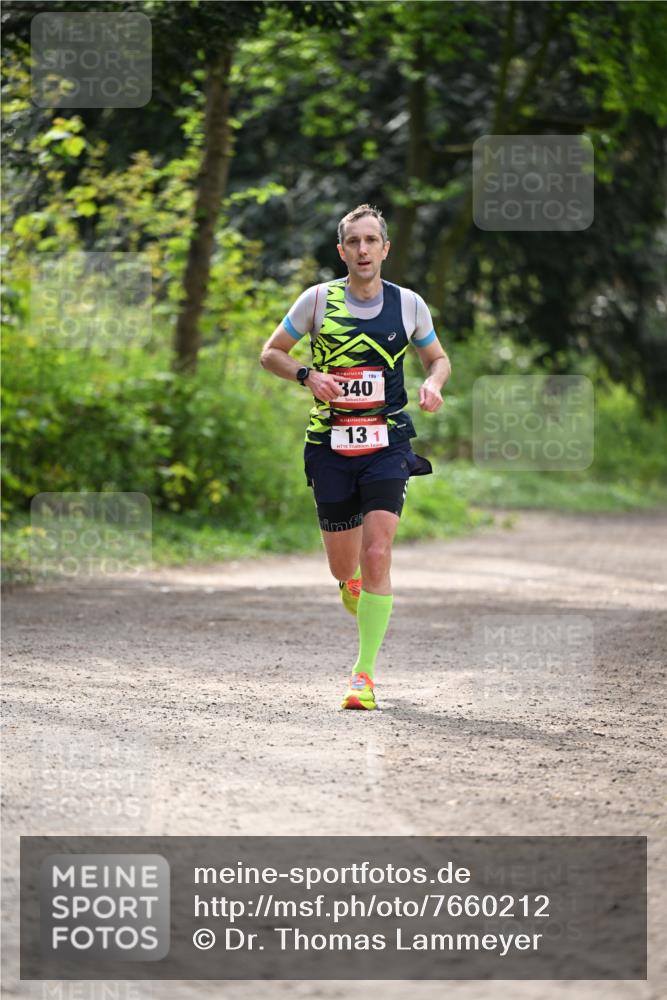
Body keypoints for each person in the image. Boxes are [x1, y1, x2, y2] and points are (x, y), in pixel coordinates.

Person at [260, 204, 450, 710]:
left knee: (378, 552)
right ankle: (353, 586)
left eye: (371, 241)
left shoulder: (409, 305)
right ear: (341, 250)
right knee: (345, 568)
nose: (363, 250)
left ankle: (363, 676)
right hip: (331, 446)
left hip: (387, 444)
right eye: (353, 242)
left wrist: (433, 383)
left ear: (385, 249)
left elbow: (438, 357)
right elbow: (271, 352)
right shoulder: (318, 300)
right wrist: (308, 377)